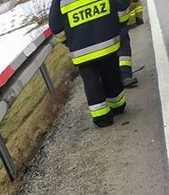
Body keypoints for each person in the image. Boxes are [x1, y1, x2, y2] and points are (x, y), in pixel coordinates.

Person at [49, 0, 129, 128]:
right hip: (107, 41)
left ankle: (101, 117)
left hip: (81, 50)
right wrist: (116, 27)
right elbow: (122, 6)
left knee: (91, 80)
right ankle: (118, 105)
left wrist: (70, 41)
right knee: (111, 72)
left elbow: (55, 26)